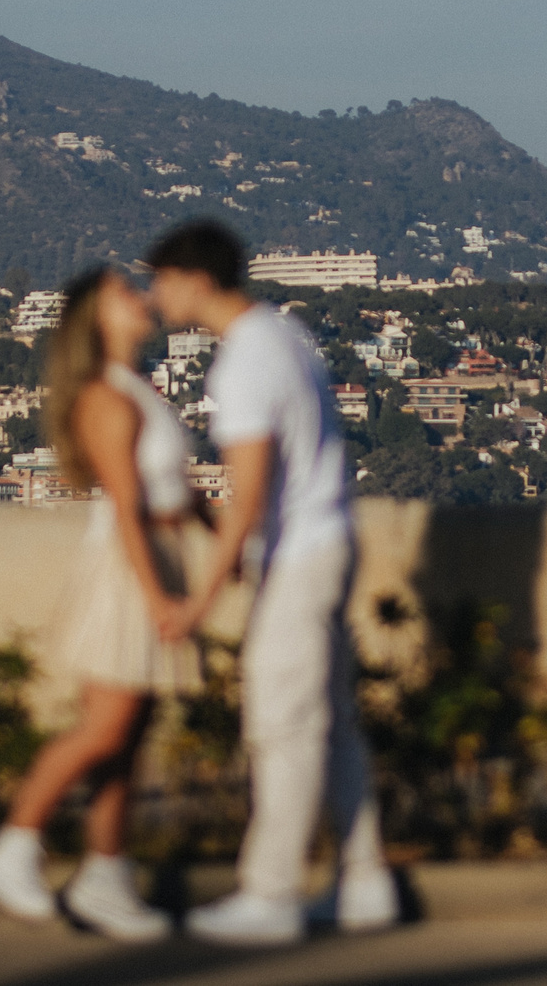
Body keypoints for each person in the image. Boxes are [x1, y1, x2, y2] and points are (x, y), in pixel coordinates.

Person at [148, 218, 398, 945]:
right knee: (333, 721)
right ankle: (364, 879)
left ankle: (272, 891)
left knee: (282, 722)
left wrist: (201, 597)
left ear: (195, 279)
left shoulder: (243, 362)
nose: (156, 293)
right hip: (331, 537)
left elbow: (247, 493)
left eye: (161, 279)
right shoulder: (287, 336)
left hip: (298, 553)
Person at [0, 266, 200, 942]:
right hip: (129, 570)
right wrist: (159, 595)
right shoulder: (106, 396)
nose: (140, 296)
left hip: (155, 560)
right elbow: (127, 504)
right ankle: (14, 844)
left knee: (127, 736)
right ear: (99, 318)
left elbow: (170, 491)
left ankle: (107, 874)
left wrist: (223, 537)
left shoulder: (138, 390)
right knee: (106, 726)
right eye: (124, 292)